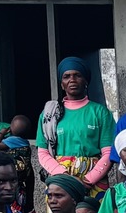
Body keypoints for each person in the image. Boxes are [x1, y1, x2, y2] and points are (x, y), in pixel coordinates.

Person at [37, 57, 115, 187]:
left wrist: (88, 180)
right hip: (60, 180)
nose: (72, 80)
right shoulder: (49, 114)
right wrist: (65, 177)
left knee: (92, 208)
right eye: (66, 76)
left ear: (86, 81)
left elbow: (109, 152)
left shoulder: (100, 112)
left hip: (94, 181)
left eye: (77, 75)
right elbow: (43, 153)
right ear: (62, 84)